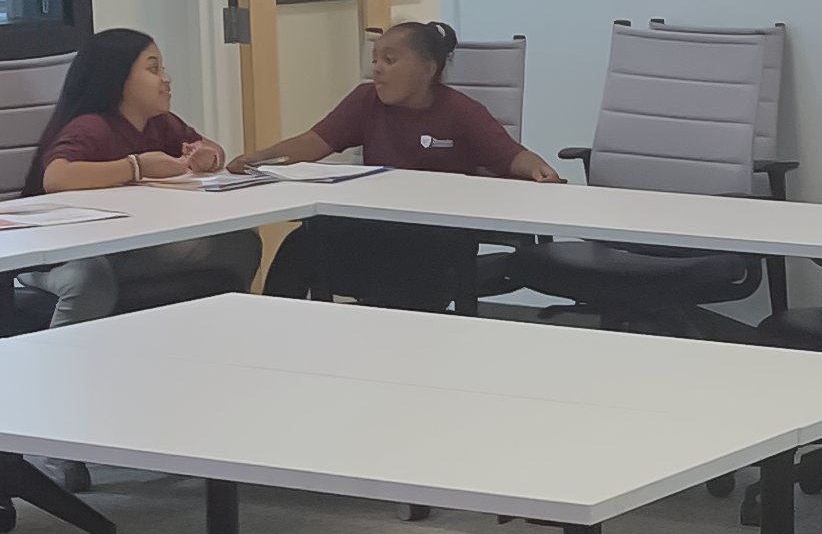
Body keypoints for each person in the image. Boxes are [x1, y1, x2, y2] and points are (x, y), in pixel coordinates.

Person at [238, 18, 561, 314]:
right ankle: (272, 323)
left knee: (405, 270)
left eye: (390, 61)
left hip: (432, 232)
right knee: (303, 241)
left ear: (428, 69)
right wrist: (258, 158)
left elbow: (509, 155)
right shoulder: (365, 101)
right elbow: (313, 142)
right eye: (375, 60)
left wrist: (539, 170)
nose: (377, 69)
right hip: (375, 221)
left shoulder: (462, 111)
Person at [19, 26, 258, 327]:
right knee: (91, 279)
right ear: (117, 78)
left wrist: (207, 158)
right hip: (61, 252)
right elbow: (56, 177)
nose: (165, 80)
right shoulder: (92, 126)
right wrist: (136, 167)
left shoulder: (161, 124)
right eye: (153, 69)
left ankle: (228, 333)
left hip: (122, 245)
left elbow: (212, 148)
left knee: (239, 243)